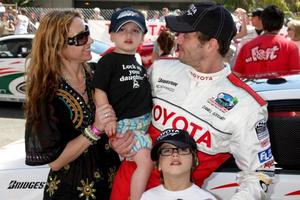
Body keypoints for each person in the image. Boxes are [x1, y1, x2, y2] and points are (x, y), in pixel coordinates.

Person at [110, 2, 275, 200]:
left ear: (211, 45)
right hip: (124, 190)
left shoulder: (247, 105)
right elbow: (126, 114)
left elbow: (260, 174)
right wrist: (119, 142)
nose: (177, 39)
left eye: (186, 35)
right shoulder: (160, 69)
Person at [24, 10, 120, 200]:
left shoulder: (97, 73)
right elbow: (56, 162)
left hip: (111, 184)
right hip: (69, 191)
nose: (90, 41)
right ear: (58, 47)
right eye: (81, 37)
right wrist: (95, 129)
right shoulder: (45, 94)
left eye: (87, 32)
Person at [93, 7, 153, 200]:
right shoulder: (108, 61)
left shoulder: (137, 61)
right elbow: (99, 90)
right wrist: (108, 118)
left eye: (135, 30)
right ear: (111, 36)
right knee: (145, 161)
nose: (129, 34)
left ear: (143, 37)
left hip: (142, 124)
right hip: (126, 125)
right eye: (122, 30)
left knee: (143, 161)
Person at [141, 128, 217, 200]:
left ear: (194, 160)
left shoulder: (206, 198)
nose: (175, 154)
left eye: (183, 149)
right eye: (167, 150)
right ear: (158, 164)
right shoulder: (147, 197)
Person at [233, 5, 300, 79]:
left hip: (252, 89)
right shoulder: (290, 47)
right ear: (281, 24)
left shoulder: (246, 48)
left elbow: (236, 76)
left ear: (262, 22)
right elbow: (296, 78)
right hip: (281, 90)